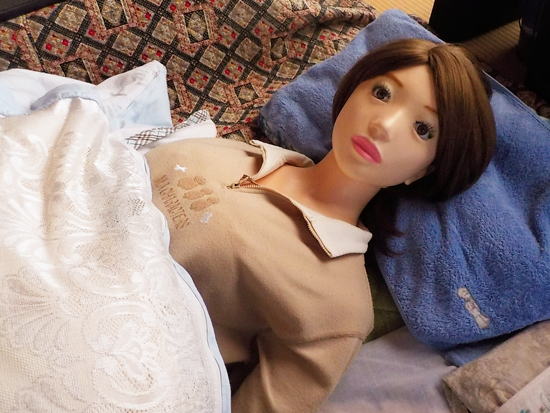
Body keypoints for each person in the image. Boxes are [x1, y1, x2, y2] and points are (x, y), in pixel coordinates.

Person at [144, 38, 496, 412]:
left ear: (425, 171)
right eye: (382, 93)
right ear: (352, 91)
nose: (383, 124)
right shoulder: (230, 148)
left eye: (423, 129)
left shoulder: (338, 306)